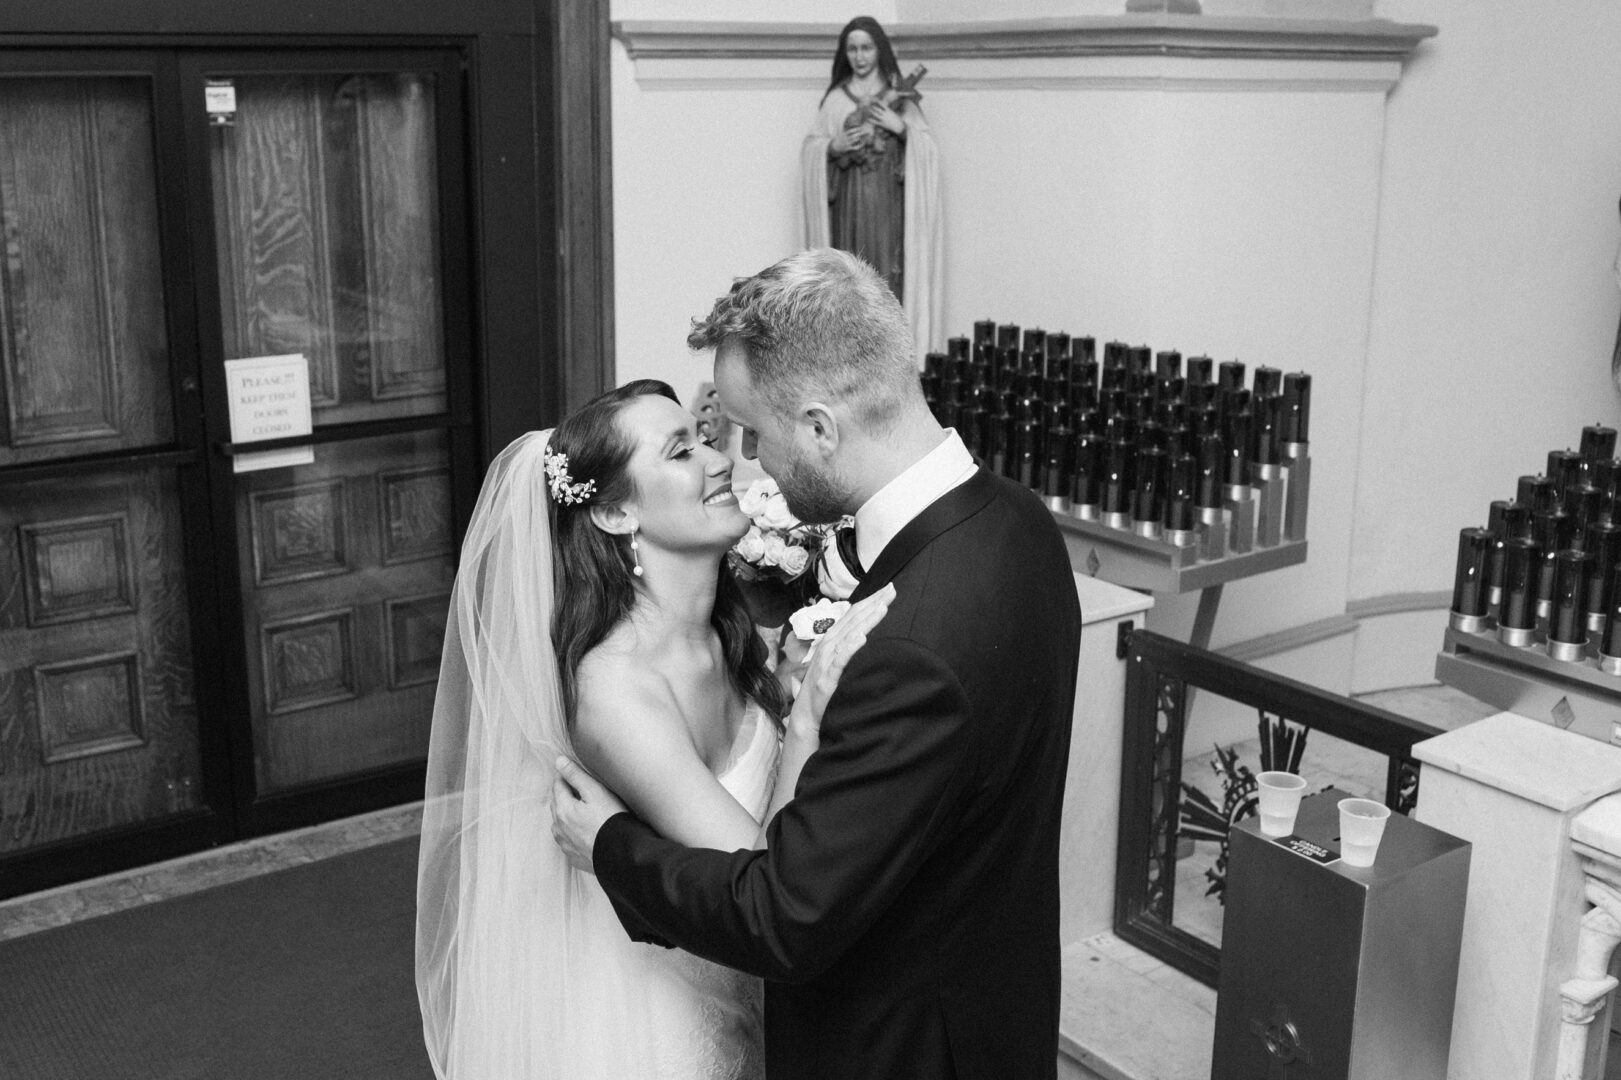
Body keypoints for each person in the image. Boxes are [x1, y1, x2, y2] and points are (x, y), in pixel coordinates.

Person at [553, 248, 1084, 1080]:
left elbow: (784, 920)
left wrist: (611, 847)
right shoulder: (1019, 524)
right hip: (994, 1008)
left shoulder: (906, 650)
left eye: (752, 431)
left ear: (818, 428)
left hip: (901, 1048)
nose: (745, 458)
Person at [415, 378, 893, 1079]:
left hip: (762, 983)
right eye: (680, 453)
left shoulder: (731, 636)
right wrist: (811, 714)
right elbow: (764, 880)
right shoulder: (616, 693)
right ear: (613, 515)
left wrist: (786, 687)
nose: (719, 460)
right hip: (669, 1016)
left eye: (704, 441)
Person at [802, 16, 942, 368]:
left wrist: (902, 130)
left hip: (888, 206)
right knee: (852, 272)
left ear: (879, 50)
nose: (860, 56)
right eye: (852, 49)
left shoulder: (901, 95)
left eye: (866, 48)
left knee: (885, 270)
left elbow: (927, 151)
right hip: (849, 205)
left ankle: (887, 353)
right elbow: (811, 151)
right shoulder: (836, 100)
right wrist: (832, 147)